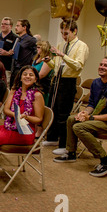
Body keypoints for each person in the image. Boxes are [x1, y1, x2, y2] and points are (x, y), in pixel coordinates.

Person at [54, 57, 107, 177]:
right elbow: (91, 104)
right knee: (71, 119)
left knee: (79, 127)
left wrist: (90, 118)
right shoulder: (96, 83)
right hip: (99, 118)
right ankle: (71, 153)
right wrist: (84, 113)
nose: (102, 67)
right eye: (101, 64)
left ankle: (106, 161)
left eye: (106, 65)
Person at [43, 20, 89, 155]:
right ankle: (52, 138)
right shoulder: (62, 44)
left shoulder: (81, 46)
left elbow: (78, 65)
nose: (64, 36)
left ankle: (64, 144)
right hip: (57, 79)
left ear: (75, 31)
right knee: (53, 110)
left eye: (66, 33)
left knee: (63, 114)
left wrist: (63, 55)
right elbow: (57, 66)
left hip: (68, 82)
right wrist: (49, 61)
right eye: (62, 33)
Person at [10, 19, 37, 88]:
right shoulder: (17, 39)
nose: (15, 28)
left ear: (24, 27)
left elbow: (36, 53)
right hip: (14, 69)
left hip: (23, 69)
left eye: (18, 26)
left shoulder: (31, 40)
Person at [32, 41, 54, 105]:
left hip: (42, 87)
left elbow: (41, 75)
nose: (37, 49)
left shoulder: (47, 60)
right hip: (34, 85)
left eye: (39, 47)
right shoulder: (36, 58)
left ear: (44, 48)